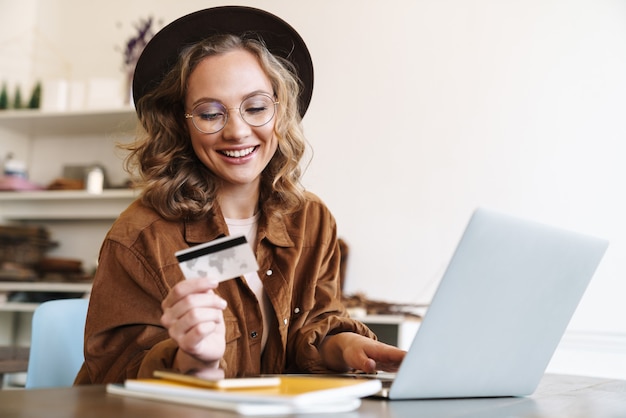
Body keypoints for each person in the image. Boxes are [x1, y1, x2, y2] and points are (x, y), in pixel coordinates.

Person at [75, 6, 405, 384]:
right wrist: (192, 361)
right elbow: (113, 376)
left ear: (280, 112)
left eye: (256, 107)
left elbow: (315, 323)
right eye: (211, 113)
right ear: (180, 123)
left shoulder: (311, 221)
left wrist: (344, 346)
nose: (237, 131)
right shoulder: (139, 239)